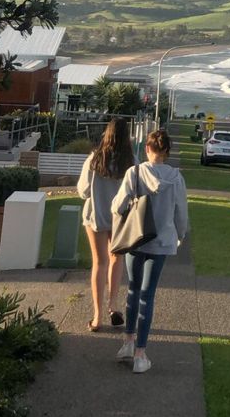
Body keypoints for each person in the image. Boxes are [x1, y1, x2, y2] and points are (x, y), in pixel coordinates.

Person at [111, 127, 188, 374]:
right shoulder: (176, 178)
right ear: (167, 151)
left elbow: (118, 205)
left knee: (133, 291)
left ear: (147, 148)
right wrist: (180, 233)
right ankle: (141, 354)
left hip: (136, 239)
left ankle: (128, 342)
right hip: (162, 241)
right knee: (148, 294)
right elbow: (181, 212)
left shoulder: (134, 173)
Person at [77, 116, 135, 331]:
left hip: (95, 215)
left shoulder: (94, 158)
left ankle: (97, 316)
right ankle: (114, 305)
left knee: (99, 263)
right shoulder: (131, 160)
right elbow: (135, 191)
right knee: (116, 260)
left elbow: (83, 191)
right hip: (120, 218)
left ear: (107, 134)